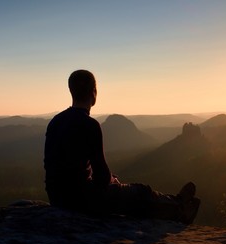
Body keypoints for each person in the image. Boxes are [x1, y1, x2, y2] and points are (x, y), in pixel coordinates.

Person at [44, 69, 200, 224]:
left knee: (122, 192)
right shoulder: (89, 125)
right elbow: (102, 176)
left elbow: (51, 166)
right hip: (84, 200)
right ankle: (179, 207)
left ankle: (175, 205)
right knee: (140, 192)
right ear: (94, 93)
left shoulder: (55, 121)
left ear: (71, 91)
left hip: (57, 198)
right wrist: (113, 181)